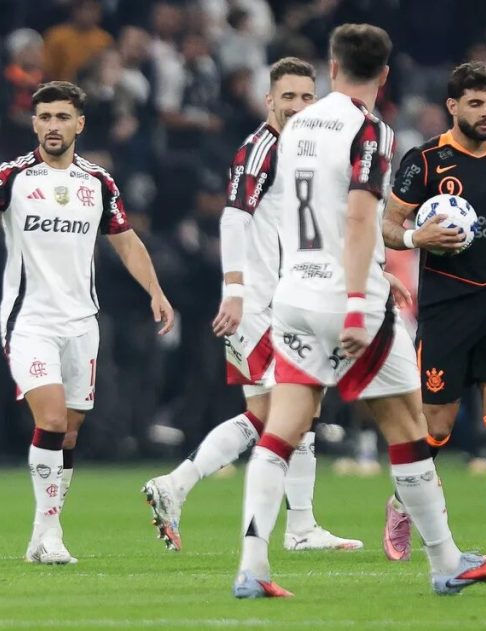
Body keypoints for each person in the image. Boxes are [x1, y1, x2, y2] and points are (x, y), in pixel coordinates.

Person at [233, 24, 486, 599]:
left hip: (294, 295)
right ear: (385, 76)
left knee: (281, 429)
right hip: (345, 298)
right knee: (409, 428)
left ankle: (252, 567)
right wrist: (361, 300)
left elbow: (304, 213)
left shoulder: (296, 125)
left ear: (332, 68)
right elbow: (359, 217)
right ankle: (446, 561)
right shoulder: (371, 129)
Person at [0, 81, 175, 565]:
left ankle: (41, 535)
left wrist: (155, 290)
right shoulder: (14, 175)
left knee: (69, 430)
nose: (52, 126)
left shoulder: (98, 183)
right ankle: (49, 534)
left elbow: (126, 241)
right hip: (30, 320)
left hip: (82, 322)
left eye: (62, 117)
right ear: (34, 123)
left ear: (79, 124)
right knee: (48, 418)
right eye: (44, 117)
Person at [141, 57, 361, 553]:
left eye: (308, 97)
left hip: (296, 297)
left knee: (289, 413)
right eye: (289, 97)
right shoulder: (260, 149)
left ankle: (292, 522)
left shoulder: (312, 151)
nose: (299, 106)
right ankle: (188, 489)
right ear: (269, 101)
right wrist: (236, 293)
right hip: (263, 304)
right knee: (284, 412)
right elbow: (234, 219)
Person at [381, 61, 486, 562]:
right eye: (475, 103)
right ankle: (400, 502)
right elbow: (389, 224)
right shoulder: (425, 161)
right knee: (437, 426)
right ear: (453, 106)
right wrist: (418, 237)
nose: (485, 113)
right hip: (446, 306)